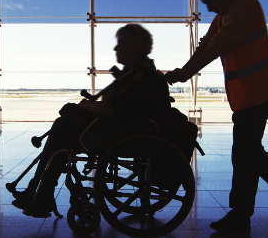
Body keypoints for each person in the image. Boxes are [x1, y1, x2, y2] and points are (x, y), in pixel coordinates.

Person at [163, 0, 268, 233]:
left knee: (244, 154)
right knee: (250, 154)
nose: (210, 7)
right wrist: (183, 72)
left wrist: (185, 73)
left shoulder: (245, 6)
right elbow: (206, 45)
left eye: (210, 0)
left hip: (258, 92)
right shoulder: (226, 15)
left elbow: (220, 45)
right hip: (247, 95)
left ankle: (242, 214)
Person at [13, 24, 173, 218]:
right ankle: (37, 191)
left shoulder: (141, 77)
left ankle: (39, 193)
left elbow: (112, 110)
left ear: (136, 46)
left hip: (121, 133)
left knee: (61, 132)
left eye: (121, 43)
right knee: (62, 128)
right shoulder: (143, 74)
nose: (116, 48)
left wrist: (84, 106)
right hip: (127, 129)